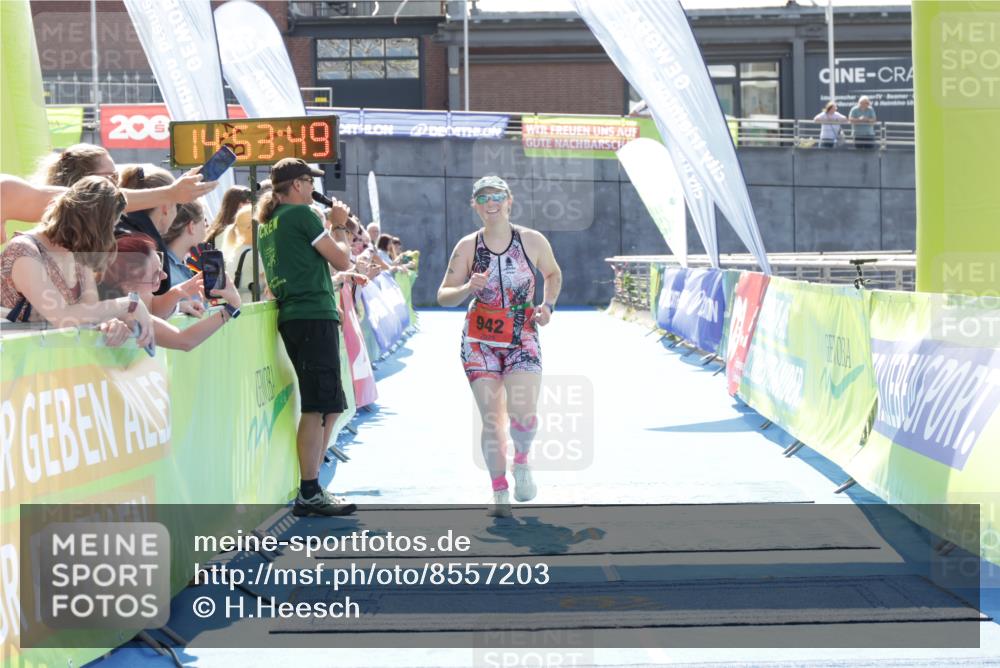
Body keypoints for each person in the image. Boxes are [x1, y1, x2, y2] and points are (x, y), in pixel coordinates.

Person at [437, 175, 562, 517]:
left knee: (522, 412)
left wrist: (548, 306)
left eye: (496, 196)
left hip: (522, 335)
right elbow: (443, 295)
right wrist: (467, 288)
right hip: (480, 341)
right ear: (474, 205)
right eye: (482, 197)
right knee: (491, 419)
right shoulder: (467, 247)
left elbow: (553, 274)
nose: (490, 202)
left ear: (509, 201)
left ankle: (521, 461)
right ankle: (500, 493)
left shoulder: (532, 240)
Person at [256, 158, 356, 517]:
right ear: (297, 185)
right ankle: (310, 490)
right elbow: (342, 261)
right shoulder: (301, 215)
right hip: (311, 316)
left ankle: (311, 486)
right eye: (309, 182)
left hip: (302, 315)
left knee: (329, 404)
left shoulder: (269, 223)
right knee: (317, 405)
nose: (314, 188)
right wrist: (339, 226)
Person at [0, 176, 154, 348]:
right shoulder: (23, 250)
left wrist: (108, 324)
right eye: (111, 227)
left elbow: (88, 312)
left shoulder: (77, 252)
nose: (111, 235)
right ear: (96, 226)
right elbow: (61, 316)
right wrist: (129, 304)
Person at [101, 234, 242, 351]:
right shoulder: (126, 313)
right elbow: (185, 341)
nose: (164, 276)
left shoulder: (118, 304)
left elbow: (153, 308)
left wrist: (180, 294)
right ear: (127, 285)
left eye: (161, 269)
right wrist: (231, 308)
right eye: (155, 275)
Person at [117, 164, 203, 317]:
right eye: (177, 205)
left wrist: (177, 306)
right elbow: (141, 312)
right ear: (166, 206)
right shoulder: (135, 245)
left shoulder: (126, 233)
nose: (163, 275)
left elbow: (144, 308)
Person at [162, 200, 209, 318]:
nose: (207, 228)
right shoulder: (166, 271)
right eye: (204, 222)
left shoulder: (171, 265)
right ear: (192, 227)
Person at [220, 205, 267, 303]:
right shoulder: (252, 254)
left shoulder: (237, 251)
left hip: (243, 309)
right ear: (252, 227)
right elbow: (272, 280)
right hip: (257, 309)